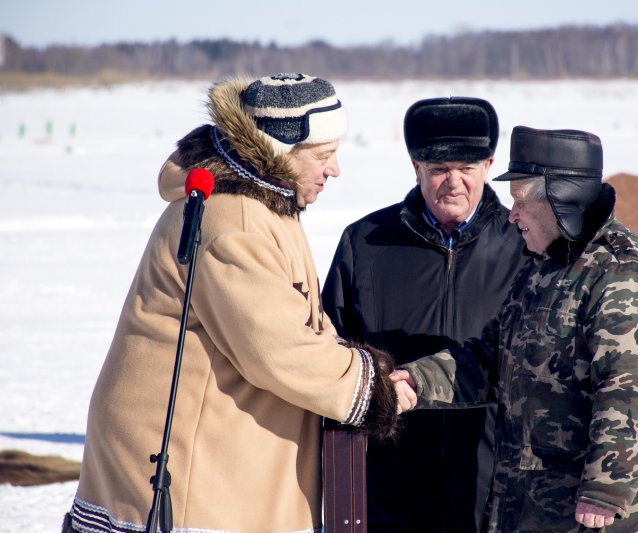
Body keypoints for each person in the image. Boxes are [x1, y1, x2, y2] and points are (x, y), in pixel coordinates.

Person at [62, 73, 399, 533]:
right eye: (323, 156)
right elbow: (277, 348)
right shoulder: (235, 220)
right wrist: (370, 387)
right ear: (281, 153)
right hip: (188, 461)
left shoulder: (264, 204)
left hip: (215, 444)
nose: (334, 170)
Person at [393, 126, 638, 532]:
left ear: (562, 199)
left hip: (593, 518)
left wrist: (605, 491)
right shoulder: (544, 264)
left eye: (521, 202)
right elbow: (492, 357)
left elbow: (634, 390)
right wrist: (416, 381)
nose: (511, 216)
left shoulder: (622, 272)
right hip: (525, 507)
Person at [322, 97, 526, 532]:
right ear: (415, 167)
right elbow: (330, 356)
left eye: (466, 168)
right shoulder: (366, 245)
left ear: (489, 165)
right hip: (392, 483)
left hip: (495, 482)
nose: (453, 183)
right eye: (438, 169)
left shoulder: (525, 245)